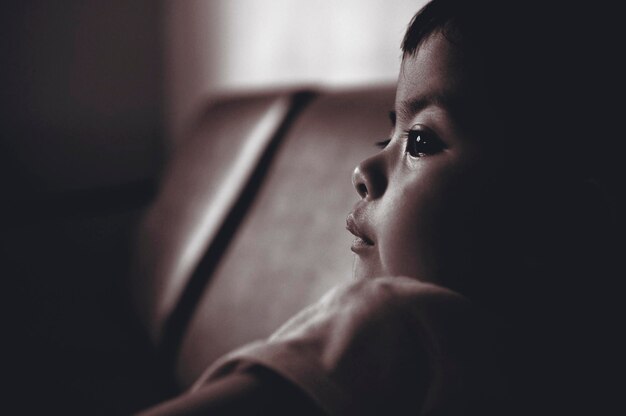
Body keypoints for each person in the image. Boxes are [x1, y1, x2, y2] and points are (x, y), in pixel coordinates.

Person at [138, 0, 618, 414]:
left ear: (556, 221)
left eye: (421, 140)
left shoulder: (392, 327)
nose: (363, 170)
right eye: (386, 136)